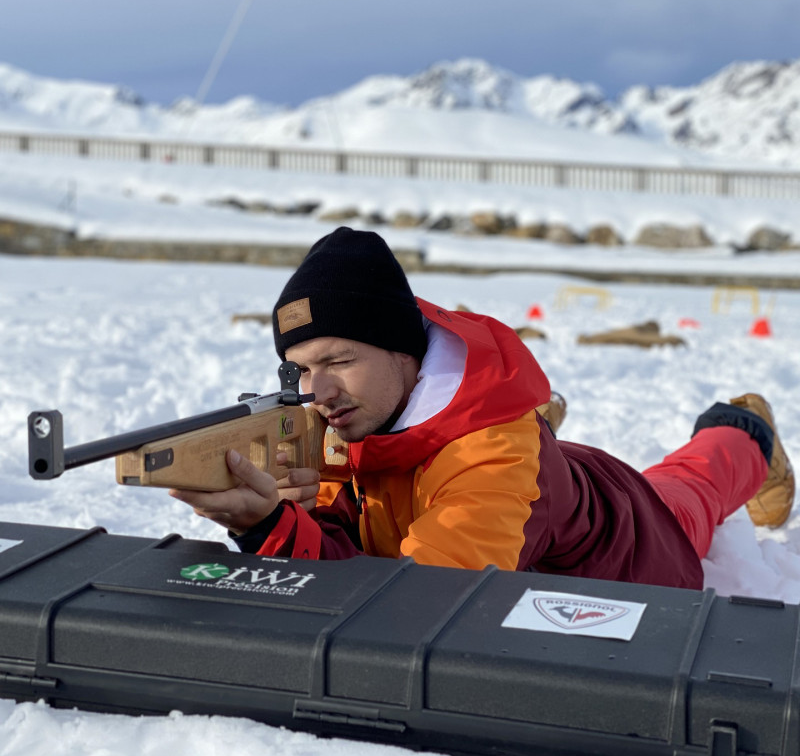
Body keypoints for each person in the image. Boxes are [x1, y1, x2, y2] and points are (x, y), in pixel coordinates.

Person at [169, 227, 796, 589]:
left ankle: (744, 429)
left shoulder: (494, 461)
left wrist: (267, 531)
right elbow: (345, 552)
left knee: (690, 490)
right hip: (514, 474)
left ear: (406, 353)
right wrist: (280, 519)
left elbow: (419, 603)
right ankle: (531, 424)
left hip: (625, 531)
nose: (319, 390)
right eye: (302, 369)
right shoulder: (347, 414)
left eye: (338, 361)